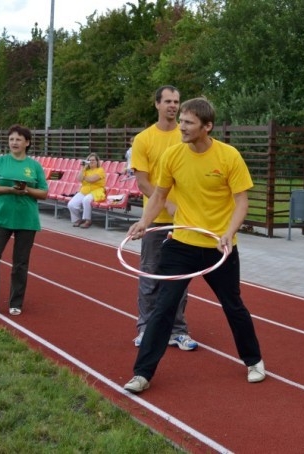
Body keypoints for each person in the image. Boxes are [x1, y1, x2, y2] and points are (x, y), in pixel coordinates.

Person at [123, 97, 266, 393]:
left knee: (233, 305)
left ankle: (253, 361)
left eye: (188, 123)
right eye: (182, 121)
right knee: (163, 308)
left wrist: (228, 232)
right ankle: (142, 373)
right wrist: (144, 223)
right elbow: (159, 196)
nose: (182, 127)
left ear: (207, 126)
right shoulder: (173, 155)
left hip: (219, 246)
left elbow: (242, 202)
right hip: (181, 245)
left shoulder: (228, 157)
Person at [129, 85, 198, 351]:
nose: (172, 105)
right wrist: (167, 205)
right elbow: (143, 183)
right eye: (167, 101)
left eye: (176, 101)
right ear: (157, 104)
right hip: (156, 219)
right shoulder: (144, 139)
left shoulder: (186, 138)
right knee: (150, 274)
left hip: (184, 221)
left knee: (180, 277)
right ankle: (145, 328)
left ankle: (178, 330)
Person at [0, 124, 49, 316]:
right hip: (1, 217)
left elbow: (43, 193)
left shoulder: (34, 166)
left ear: (27, 142)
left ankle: (15, 302)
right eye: (11, 139)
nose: (14, 142)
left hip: (27, 220)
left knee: (20, 263)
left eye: (18, 139)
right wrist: (9, 189)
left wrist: (27, 190)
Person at [67, 152, 106, 229]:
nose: (91, 162)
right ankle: (78, 219)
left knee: (86, 200)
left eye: (93, 160)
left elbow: (92, 179)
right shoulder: (85, 170)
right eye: (89, 160)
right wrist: (82, 168)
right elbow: (78, 179)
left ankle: (87, 220)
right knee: (71, 204)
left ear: (97, 162)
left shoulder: (100, 170)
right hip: (84, 190)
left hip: (96, 191)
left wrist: (84, 177)